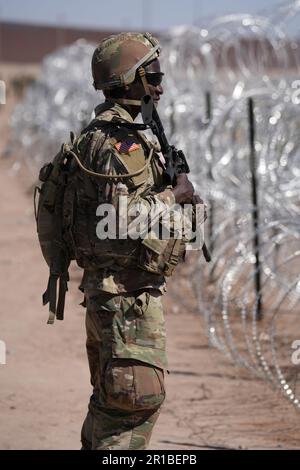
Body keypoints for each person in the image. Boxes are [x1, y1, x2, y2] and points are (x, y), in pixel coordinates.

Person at [75, 32, 199, 450]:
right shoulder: (119, 142)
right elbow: (120, 218)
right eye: (154, 75)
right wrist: (175, 195)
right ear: (129, 79)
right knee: (131, 409)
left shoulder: (103, 135)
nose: (160, 86)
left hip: (115, 293)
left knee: (112, 405)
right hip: (126, 297)